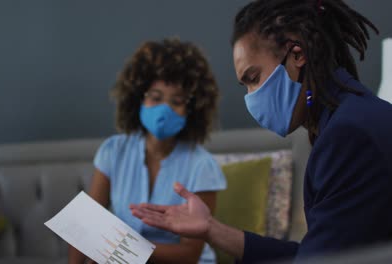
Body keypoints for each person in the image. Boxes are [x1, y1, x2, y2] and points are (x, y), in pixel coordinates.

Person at [130, 0, 392, 263]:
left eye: (253, 78)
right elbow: (318, 252)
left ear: (298, 55)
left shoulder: (347, 136)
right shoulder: (352, 114)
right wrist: (211, 229)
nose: (251, 98)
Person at [68, 38, 227, 264]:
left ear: (192, 109)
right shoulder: (113, 151)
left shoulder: (202, 166)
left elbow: (189, 254)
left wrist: (121, 247)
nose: (164, 109)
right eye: (155, 97)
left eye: (177, 101)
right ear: (137, 98)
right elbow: (85, 226)